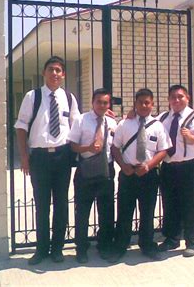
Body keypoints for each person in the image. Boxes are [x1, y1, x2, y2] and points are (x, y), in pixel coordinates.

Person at [15, 56, 80, 265]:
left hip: (62, 157)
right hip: (40, 158)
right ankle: (41, 249)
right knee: (42, 205)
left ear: (63, 75)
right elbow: (21, 127)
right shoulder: (32, 96)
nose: (55, 73)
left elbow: (78, 125)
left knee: (61, 204)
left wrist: (104, 118)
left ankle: (57, 249)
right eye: (51, 69)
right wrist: (24, 157)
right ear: (44, 73)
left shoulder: (69, 98)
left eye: (58, 70)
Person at [110, 88, 172, 262]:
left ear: (152, 104)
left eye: (147, 102)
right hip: (128, 173)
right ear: (135, 104)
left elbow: (163, 150)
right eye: (140, 102)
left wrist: (150, 165)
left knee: (147, 213)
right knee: (124, 212)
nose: (144, 105)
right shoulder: (125, 124)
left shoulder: (158, 126)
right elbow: (115, 147)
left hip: (149, 175)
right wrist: (123, 166)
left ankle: (147, 245)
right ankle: (120, 246)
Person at [157, 84, 194, 257]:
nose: (176, 100)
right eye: (173, 97)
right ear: (168, 100)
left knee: (191, 204)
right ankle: (172, 239)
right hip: (168, 167)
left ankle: (193, 242)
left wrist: (192, 137)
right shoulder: (163, 117)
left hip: (189, 166)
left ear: (187, 98)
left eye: (180, 96)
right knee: (170, 203)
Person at [68, 88, 117, 264]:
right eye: (99, 102)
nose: (102, 105)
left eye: (105, 102)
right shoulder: (81, 120)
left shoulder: (112, 122)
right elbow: (72, 145)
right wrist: (87, 148)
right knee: (82, 212)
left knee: (106, 211)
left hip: (107, 170)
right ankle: (81, 248)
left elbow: (117, 145)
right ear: (93, 102)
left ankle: (104, 245)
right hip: (86, 170)